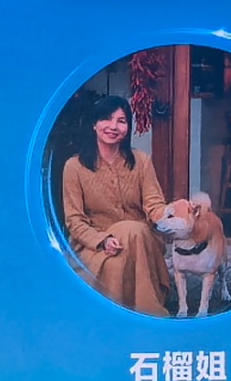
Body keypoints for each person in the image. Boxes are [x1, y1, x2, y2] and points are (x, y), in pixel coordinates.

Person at [57, 92, 169, 315]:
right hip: (94, 246)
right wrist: (103, 240)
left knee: (133, 230)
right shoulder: (74, 167)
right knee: (118, 257)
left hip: (141, 243)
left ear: (128, 128)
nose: (113, 127)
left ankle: (119, 316)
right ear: (94, 125)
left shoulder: (141, 161)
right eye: (106, 119)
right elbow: (74, 220)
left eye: (121, 121)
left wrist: (171, 216)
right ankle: (146, 313)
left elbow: (154, 204)